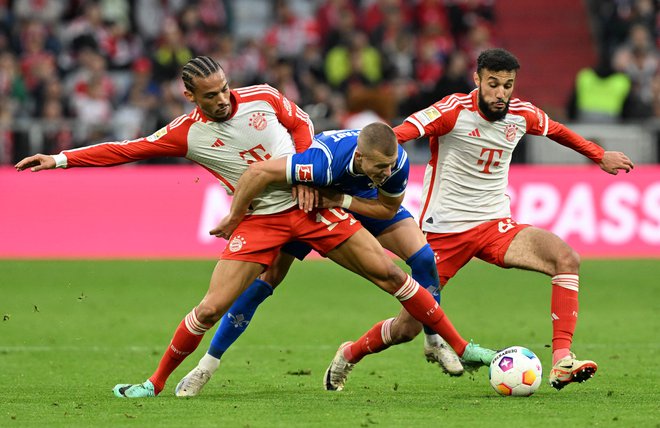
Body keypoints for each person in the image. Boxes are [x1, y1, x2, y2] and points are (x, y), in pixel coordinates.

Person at [15, 56, 494, 398]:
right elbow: (125, 149)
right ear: (190, 97)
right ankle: (156, 382)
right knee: (212, 306)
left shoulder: (263, 96)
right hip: (261, 220)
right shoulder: (187, 132)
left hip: (309, 208)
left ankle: (459, 345)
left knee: (394, 275)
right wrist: (59, 159)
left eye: (225, 88)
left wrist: (309, 170)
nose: (224, 99)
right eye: (211, 95)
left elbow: (302, 123)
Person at [380, 47, 633, 390]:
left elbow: (558, 131)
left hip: (495, 225)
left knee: (565, 258)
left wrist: (599, 155)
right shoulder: (452, 111)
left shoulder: (521, 114)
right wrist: (362, 157)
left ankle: (562, 360)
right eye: (493, 84)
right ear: (478, 80)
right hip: (444, 232)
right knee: (407, 328)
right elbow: (400, 133)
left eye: (508, 85)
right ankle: (349, 353)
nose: (500, 94)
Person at [174, 126, 469, 397]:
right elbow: (264, 171)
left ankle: (434, 341)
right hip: (313, 206)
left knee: (424, 258)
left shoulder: (394, 163)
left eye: (389, 164)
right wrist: (239, 214)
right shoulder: (323, 161)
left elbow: (388, 210)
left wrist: (341, 200)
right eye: (380, 166)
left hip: (358, 201)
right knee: (263, 283)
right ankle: (206, 366)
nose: (387, 170)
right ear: (359, 155)